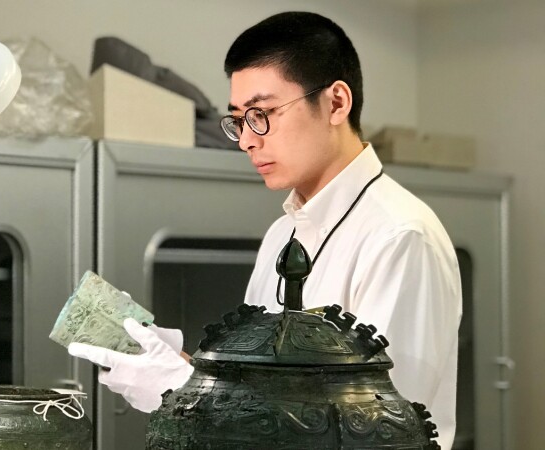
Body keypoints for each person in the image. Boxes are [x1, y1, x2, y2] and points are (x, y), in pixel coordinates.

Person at [69, 11, 462, 450]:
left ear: (336, 103)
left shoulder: (400, 237)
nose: (246, 139)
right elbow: (260, 391)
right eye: (239, 118)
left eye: (263, 113)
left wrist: (184, 391)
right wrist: (191, 371)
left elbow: (380, 431)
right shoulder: (282, 234)